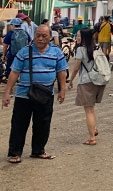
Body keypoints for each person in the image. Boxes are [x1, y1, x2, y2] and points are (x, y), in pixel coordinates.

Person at [2, 24, 68, 163]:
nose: (40, 38)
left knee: (43, 124)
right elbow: (14, 73)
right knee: (19, 125)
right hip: (23, 95)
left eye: (44, 36)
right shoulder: (24, 52)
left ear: (50, 37)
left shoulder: (56, 52)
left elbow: (61, 72)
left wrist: (62, 90)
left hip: (45, 95)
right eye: (37, 35)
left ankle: (38, 151)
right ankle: (15, 153)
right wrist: (7, 93)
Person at [68, 28, 104, 145]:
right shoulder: (96, 47)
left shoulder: (81, 50)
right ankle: (93, 129)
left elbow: (76, 68)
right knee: (91, 109)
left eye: (78, 36)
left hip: (86, 82)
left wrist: (71, 80)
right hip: (98, 81)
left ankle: (92, 138)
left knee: (88, 110)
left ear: (84, 38)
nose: (76, 38)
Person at [2, 18, 31, 82]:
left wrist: (4, 55)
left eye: (10, 25)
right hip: (24, 55)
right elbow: (29, 44)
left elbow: (5, 46)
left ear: (13, 25)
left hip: (12, 55)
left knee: (10, 70)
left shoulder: (10, 33)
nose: (9, 26)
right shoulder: (25, 33)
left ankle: (10, 81)